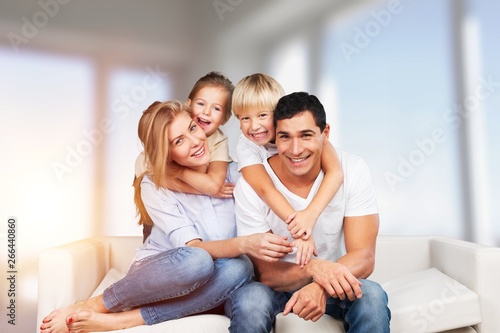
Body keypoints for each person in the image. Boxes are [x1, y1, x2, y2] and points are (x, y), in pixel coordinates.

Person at [40, 100, 293, 333]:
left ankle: (127, 319)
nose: (195, 141)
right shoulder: (154, 184)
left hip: (223, 280)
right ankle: (96, 305)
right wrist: (243, 244)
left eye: (193, 128)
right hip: (166, 276)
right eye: (178, 141)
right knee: (198, 260)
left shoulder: (239, 174)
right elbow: (195, 249)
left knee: (247, 279)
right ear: (165, 152)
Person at [229, 92, 391, 332]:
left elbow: (364, 257)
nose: (295, 150)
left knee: (372, 295)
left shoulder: (352, 169)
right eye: (285, 137)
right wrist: (313, 268)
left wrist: (321, 285)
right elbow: (267, 273)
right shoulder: (250, 186)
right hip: (275, 288)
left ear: (325, 134)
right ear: (274, 135)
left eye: (306, 135)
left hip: (332, 281)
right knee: (250, 300)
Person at [231, 73, 344, 267]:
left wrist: (310, 215)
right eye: (244, 118)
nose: (254, 126)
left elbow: (336, 172)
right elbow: (266, 189)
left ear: (277, 115)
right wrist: (300, 230)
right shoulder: (246, 146)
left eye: (262, 115)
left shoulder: (302, 129)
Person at [138, 71, 235, 241]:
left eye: (216, 108)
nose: (206, 112)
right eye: (201, 104)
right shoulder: (158, 145)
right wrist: (181, 175)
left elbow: (212, 185)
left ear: (225, 118)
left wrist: (178, 173)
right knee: (153, 227)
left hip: (181, 193)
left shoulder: (218, 141)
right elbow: (155, 180)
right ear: (188, 105)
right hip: (155, 194)